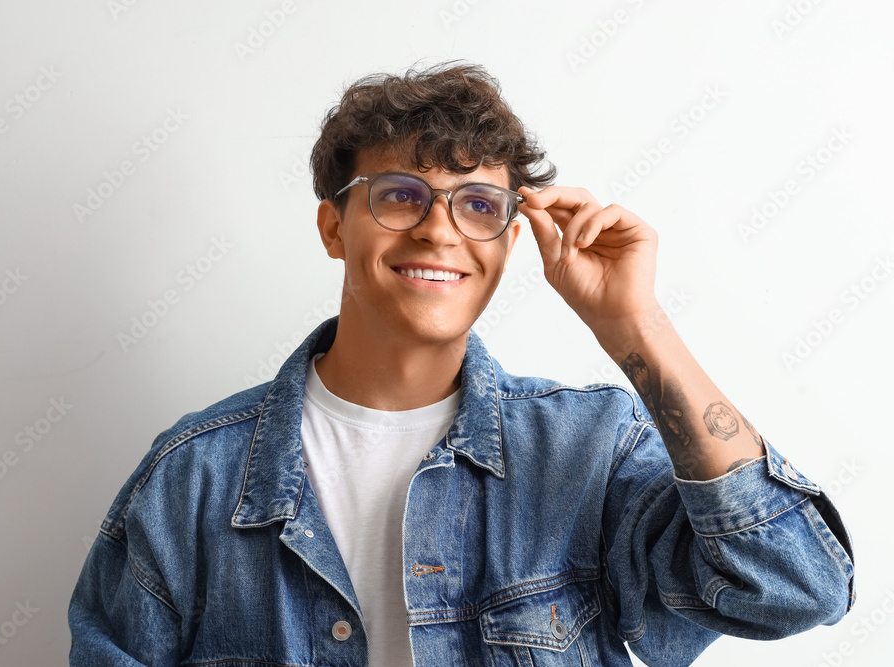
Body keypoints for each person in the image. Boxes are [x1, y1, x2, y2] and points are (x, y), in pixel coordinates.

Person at [68, 62, 855, 666]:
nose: (440, 230)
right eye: (401, 194)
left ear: (512, 240)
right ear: (333, 226)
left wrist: (634, 325)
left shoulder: (590, 450)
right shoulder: (190, 477)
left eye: (479, 204)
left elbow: (793, 587)